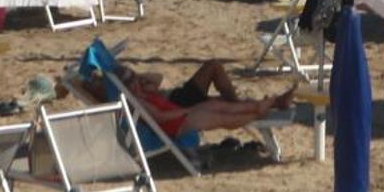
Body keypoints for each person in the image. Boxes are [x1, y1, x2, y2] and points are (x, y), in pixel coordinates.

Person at [108, 59, 294, 137]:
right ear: (123, 87)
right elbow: (160, 117)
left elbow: (158, 78)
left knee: (221, 104)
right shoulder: (137, 100)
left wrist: (137, 77)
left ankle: (262, 106)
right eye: (129, 81)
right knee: (222, 113)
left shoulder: (142, 89)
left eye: (132, 77)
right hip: (179, 111)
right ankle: (260, 108)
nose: (134, 82)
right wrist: (189, 110)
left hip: (180, 106)